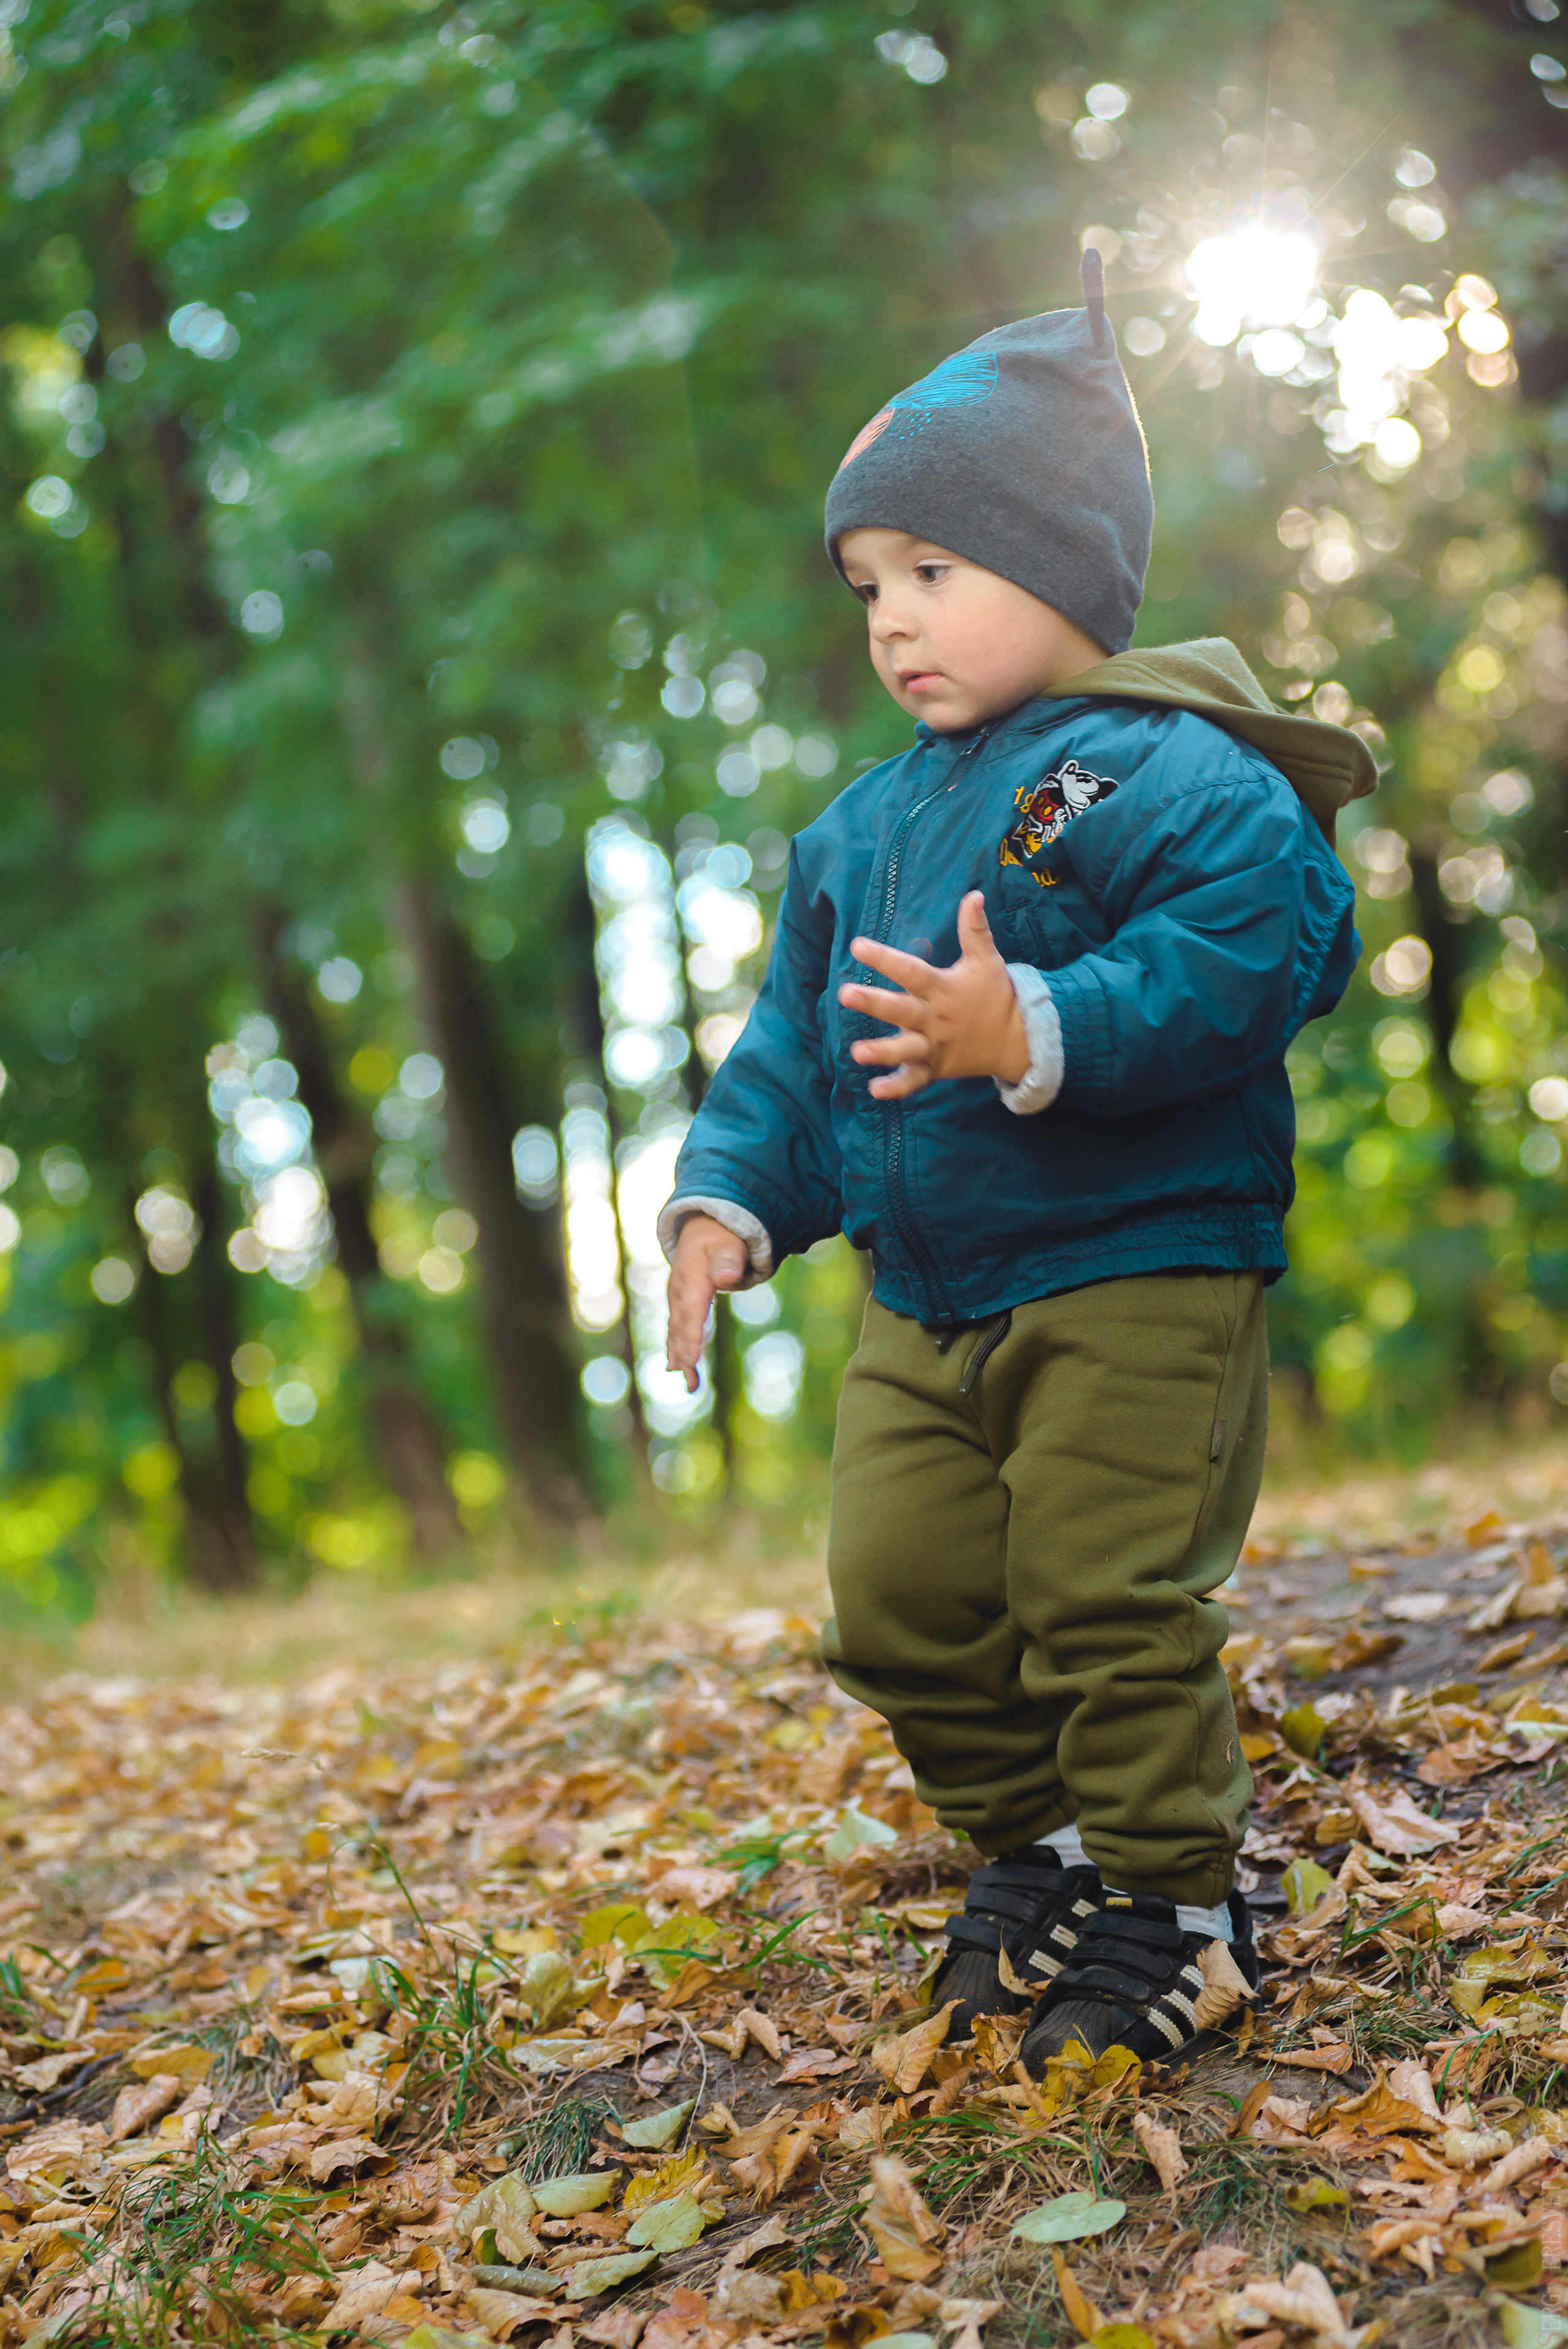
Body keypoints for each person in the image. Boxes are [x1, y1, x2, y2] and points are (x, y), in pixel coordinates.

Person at [658, 256, 1370, 2067]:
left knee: (1101, 1597)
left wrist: (1031, 1025)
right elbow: (795, 1049)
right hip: (930, 1296)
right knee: (896, 1601)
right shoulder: (868, 823)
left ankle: (1182, 1903)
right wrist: (727, 1197)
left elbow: (1264, 939)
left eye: (934, 571)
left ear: (1060, 564)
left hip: (1134, 1266)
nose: (893, 619)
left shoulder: (1164, 767)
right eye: (869, 585)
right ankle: (1040, 1847)